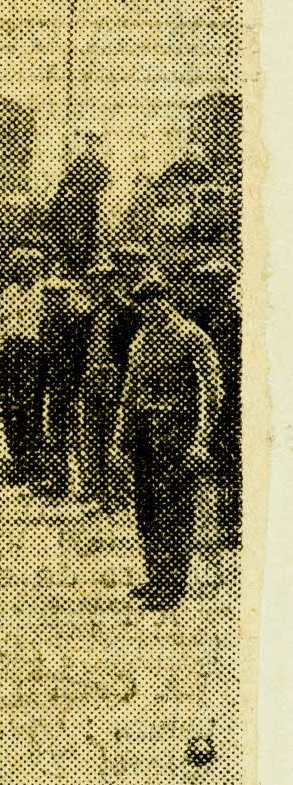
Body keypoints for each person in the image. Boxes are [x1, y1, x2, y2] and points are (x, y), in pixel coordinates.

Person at [110, 272, 223, 609]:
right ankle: (155, 575)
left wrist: (200, 440)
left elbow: (211, 393)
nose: (151, 310)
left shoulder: (191, 336)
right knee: (146, 509)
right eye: (144, 305)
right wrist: (120, 438)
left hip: (178, 432)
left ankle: (172, 585)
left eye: (155, 301)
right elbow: (129, 392)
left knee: (173, 509)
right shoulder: (141, 340)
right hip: (145, 433)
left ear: (166, 298)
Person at [188, 258, 242, 547]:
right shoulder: (199, 314)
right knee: (207, 459)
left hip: (232, 397)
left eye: (212, 282)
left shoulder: (236, 316)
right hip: (202, 396)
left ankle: (230, 523)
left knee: (229, 460)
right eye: (204, 282)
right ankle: (213, 522)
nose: (206, 287)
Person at [78, 254, 127, 510]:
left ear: (113, 282)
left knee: (113, 435)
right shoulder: (89, 313)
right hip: (92, 378)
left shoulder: (125, 311)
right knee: (92, 434)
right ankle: (96, 489)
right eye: (93, 282)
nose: (97, 286)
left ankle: (116, 493)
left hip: (114, 378)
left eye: (103, 281)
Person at [0, 246, 47, 484]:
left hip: (34, 354)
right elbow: (2, 328)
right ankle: (17, 461)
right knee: (11, 409)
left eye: (30, 266)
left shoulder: (45, 292)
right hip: (10, 353)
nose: (25, 270)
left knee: (31, 409)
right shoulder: (8, 293)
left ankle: (34, 464)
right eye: (20, 266)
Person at [38, 275, 89, 497]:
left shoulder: (78, 320)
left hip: (75, 383)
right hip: (56, 383)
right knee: (56, 433)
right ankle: (60, 481)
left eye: (58, 296)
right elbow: (45, 354)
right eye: (49, 296)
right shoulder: (46, 322)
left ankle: (84, 483)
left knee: (78, 434)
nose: (52, 301)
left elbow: (82, 353)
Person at [47, 132, 111, 275]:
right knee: (73, 231)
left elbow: (106, 181)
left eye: (95, 143)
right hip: (78, 203)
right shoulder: (79, 161)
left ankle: (89, 260)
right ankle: (70, 260)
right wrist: (72, 192)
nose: (91, 146)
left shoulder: (98, 164)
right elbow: (66, 181)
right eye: (89, 143)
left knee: (91, 231)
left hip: (90, 203)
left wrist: (95, 192)